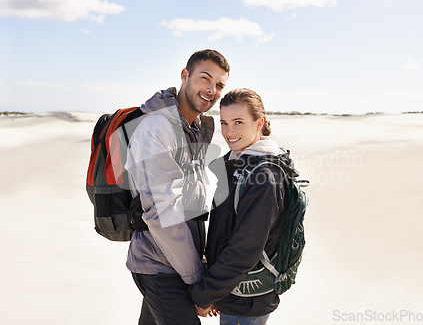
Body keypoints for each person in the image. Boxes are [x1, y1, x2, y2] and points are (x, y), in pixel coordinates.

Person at [124, 49, 230, 324]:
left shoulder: (194, 127)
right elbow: (163, 213)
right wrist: (196, 279)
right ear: (185, 76)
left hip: (178, 262)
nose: (212, 90)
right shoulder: (157, 128)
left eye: (219, 85)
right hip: (160, 266)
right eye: (205, 78)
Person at [191, 88, 299, 325]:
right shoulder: (238, 164)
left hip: (246, 303)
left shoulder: (264, 177)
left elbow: (244, 250)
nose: (229, 131)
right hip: (233, 295)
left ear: (259, 123)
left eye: (238, 122)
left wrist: (206, 292)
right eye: (224, 122)